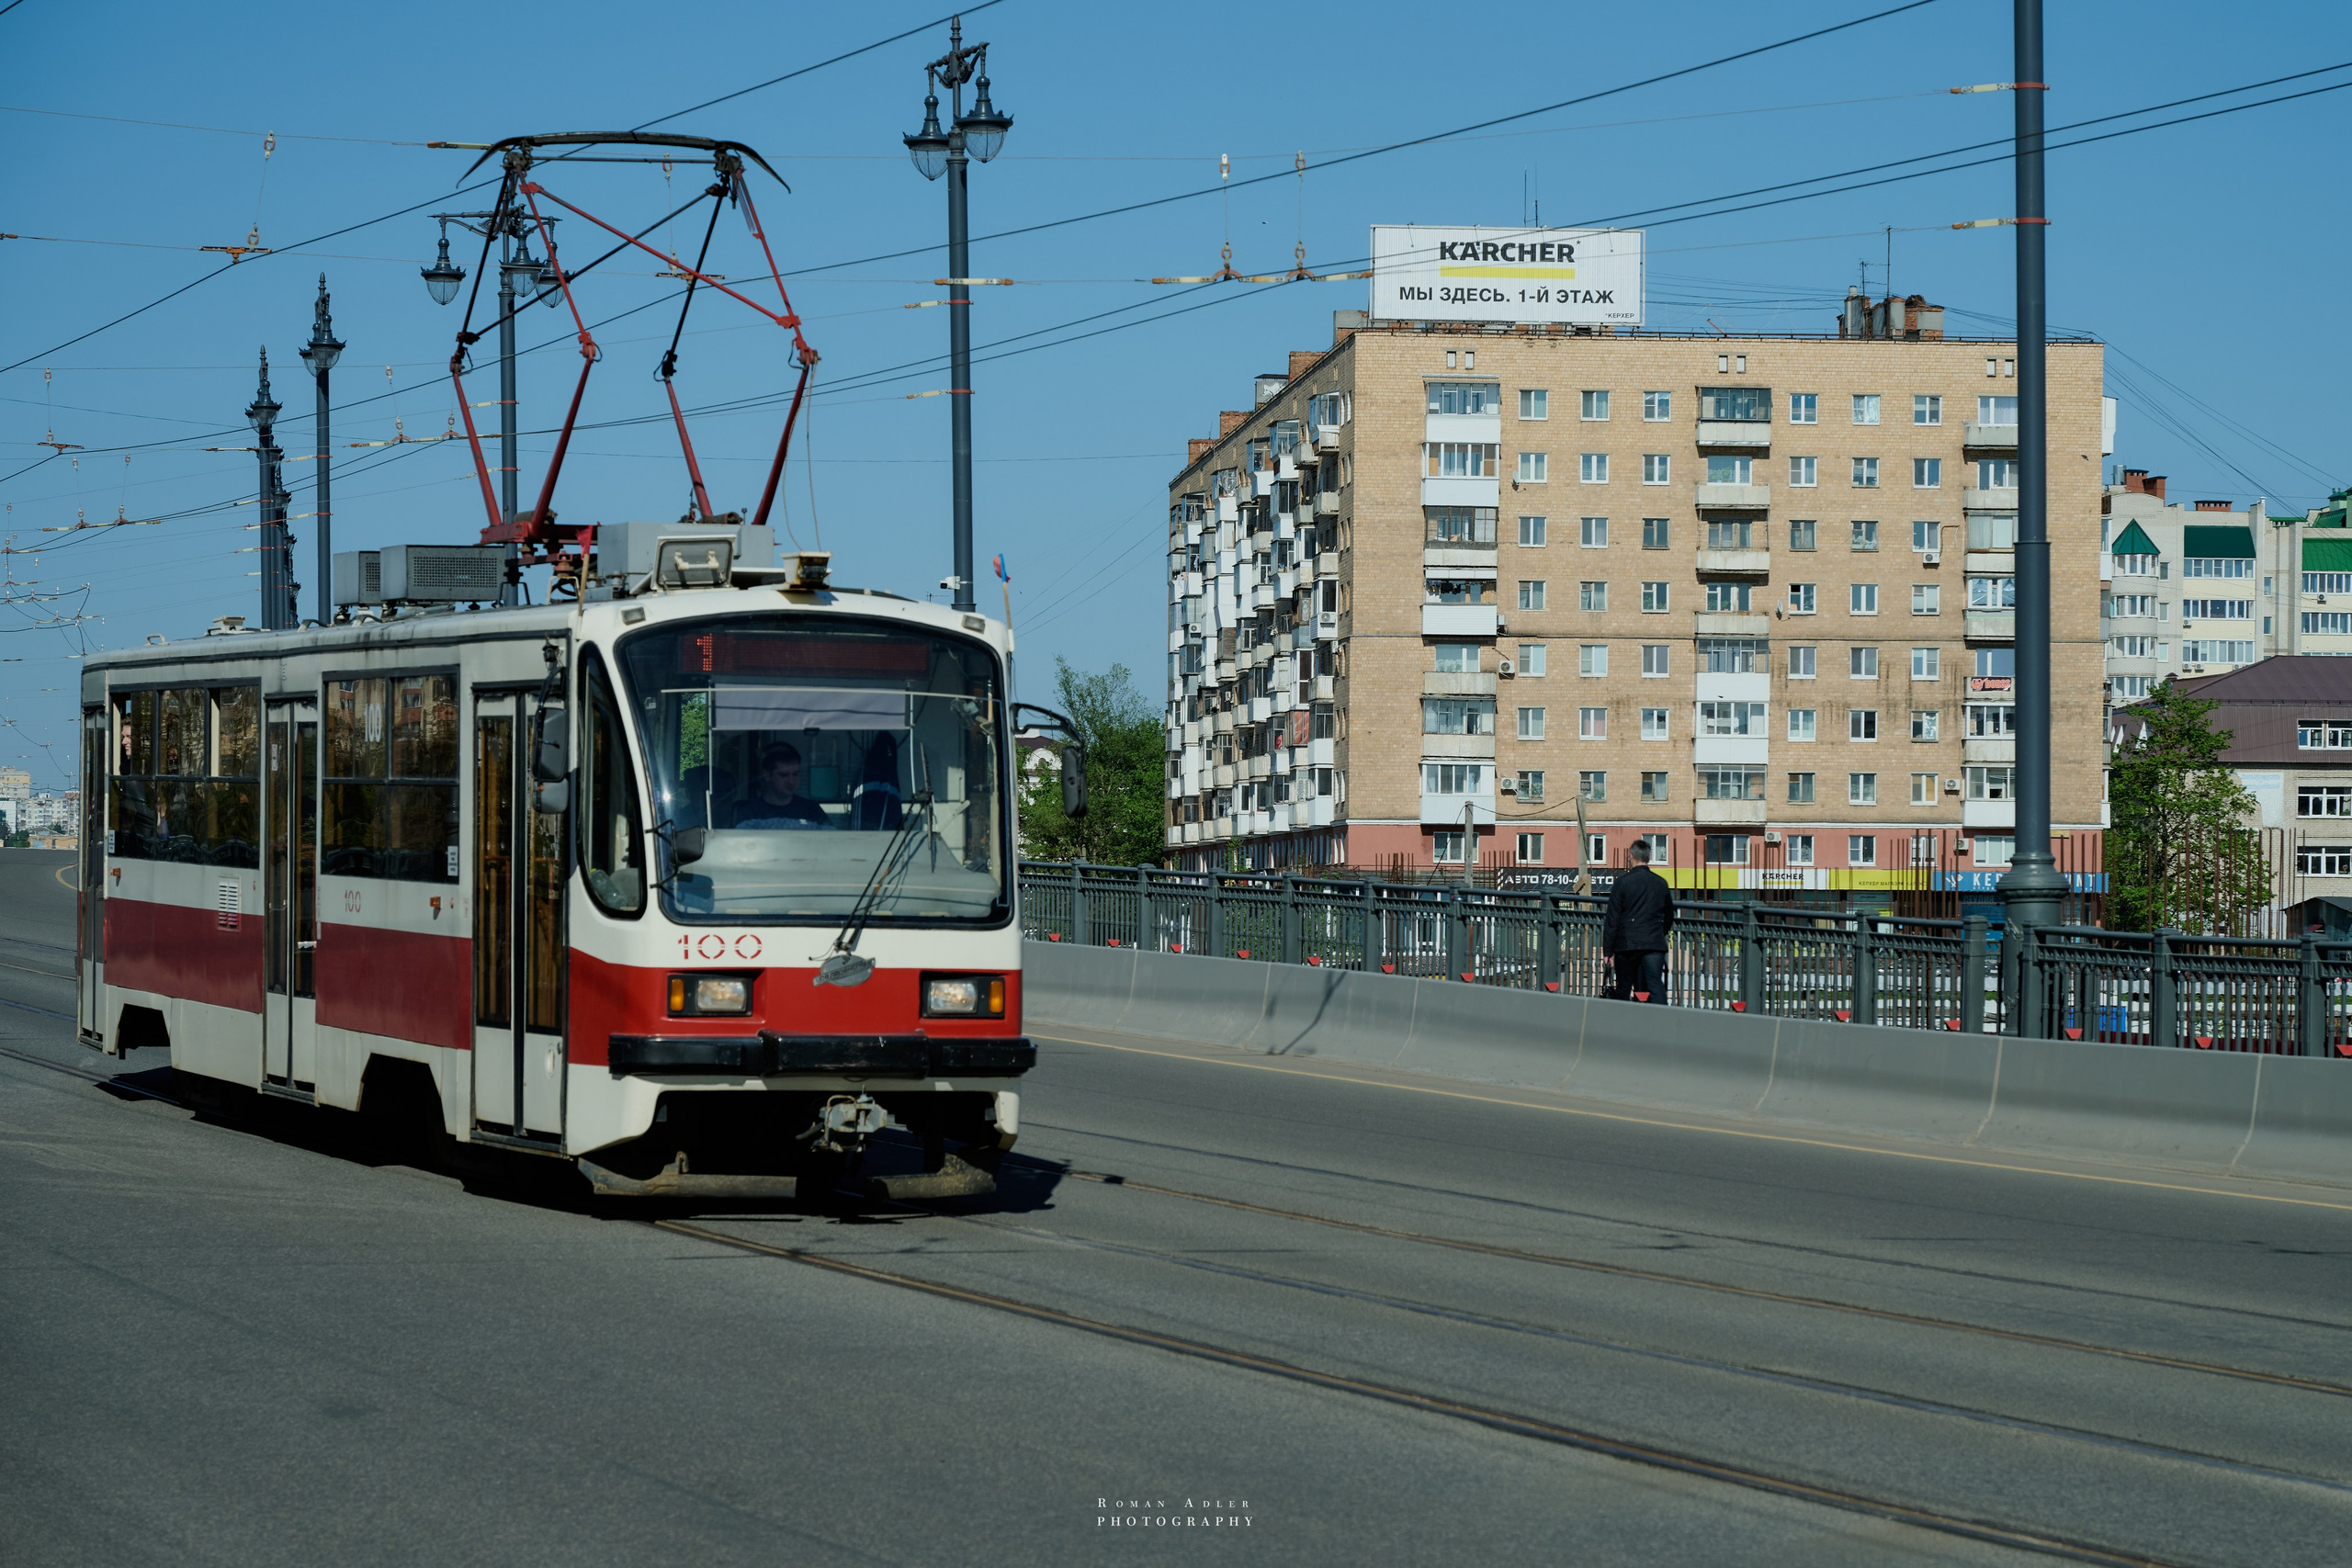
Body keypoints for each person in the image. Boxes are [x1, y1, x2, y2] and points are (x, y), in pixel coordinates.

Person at [1600, 839, 1674, 1003]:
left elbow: (1613, 919)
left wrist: (1608, 951)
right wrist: (1658, 933)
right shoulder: (1661, 883)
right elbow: (1669, 915)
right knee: (1655, 985)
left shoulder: (1622, 883)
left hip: (1627, 944)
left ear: (1631, 856)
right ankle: (1663, 1021)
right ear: (1648, 858)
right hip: (1654, 943)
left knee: (1624, 986)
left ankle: (1623, 1023)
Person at [729, 741, 831, 829]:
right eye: (784, 775)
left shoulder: (811, 810)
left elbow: (831, 842)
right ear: (767, 775)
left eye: (795, 774)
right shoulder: (750, 814)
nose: (791, 781)